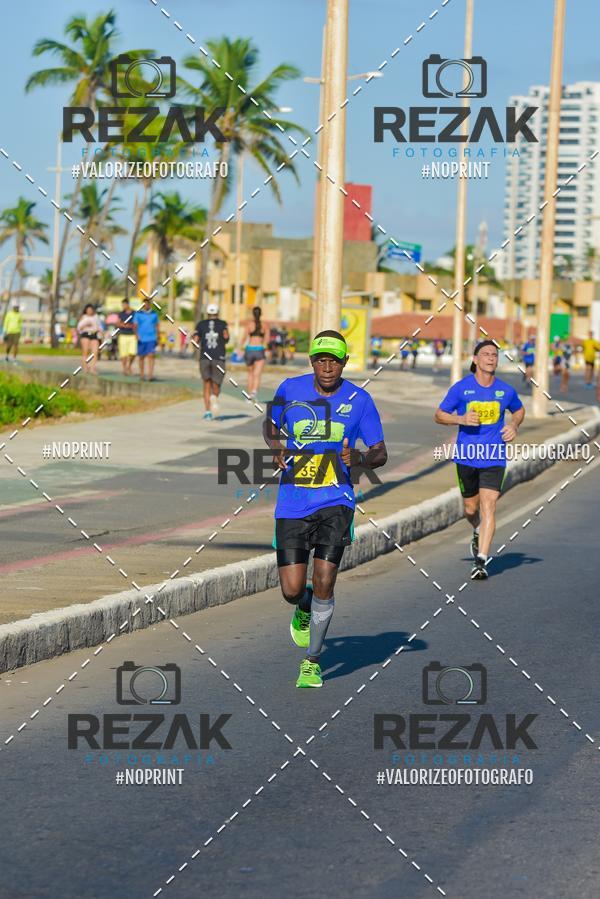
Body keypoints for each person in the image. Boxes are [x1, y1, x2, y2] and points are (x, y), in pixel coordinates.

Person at [265, 330, 388, 688]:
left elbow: (380, 452)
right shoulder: (290, 389)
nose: (327, 366)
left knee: (325, 578)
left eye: (334, 360)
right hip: (292, 501)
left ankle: (312, 660)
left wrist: (361, 458)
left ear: (345, 363)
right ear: (312, 361)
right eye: (321, 359)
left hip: (336, 501)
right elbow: (271, 425)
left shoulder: (360, 400)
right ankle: (303, 607)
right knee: (291, 589)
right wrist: (277, 448)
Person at [434, 339, 525, 580]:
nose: (491, 358)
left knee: (489, 506)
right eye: (486, 354)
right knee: (470, 508)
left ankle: (481, 561)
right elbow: (439, 415)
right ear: (475, 359)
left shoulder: (505, 390)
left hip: (494, 457)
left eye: (495, 355)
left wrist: (514, 425)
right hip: (467, 457)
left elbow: (518, 409)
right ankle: (476, 528)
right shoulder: (461, 389)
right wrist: (461, 420)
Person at [192, 303, 229, 421]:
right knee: (216, 384)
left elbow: (195, 340)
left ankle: (207, 412)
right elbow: (226, 337)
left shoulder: (201, 324)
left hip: (204, 357)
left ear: (207, 313)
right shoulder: (223, 324)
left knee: (206, 384)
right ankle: (214, 397)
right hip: (219, 357)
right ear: (217, 313)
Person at [244, 306, 269, 399]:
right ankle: (254, 393)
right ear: (261, 314)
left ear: (253, 314)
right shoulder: (265, 325)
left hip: (249, 349)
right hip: (259, 350)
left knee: (250, 374)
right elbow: (267, 340)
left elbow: (244, 338)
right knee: (257, 374)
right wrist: (266, 350)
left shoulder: (249, 325)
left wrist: (239, 349)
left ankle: (249, 396)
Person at [134, 297, 159, 381]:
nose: (146, 305)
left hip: (151, 338)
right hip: (141, 338)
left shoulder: (154, 314)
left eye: (147, 303)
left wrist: (158, 336)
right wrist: (136, 335)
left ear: (150, 304)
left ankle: (150, 375)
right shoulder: (138, 313)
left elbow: (157, 325)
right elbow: (135, 325)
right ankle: (142, 374)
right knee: (141, 357)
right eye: (144, 303)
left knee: (151, 356)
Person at [76, 303, 103, 374]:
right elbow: (79, 327)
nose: (89, 311)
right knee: (85, 352)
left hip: (94, 335)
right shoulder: (84, 317)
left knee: (95, 352)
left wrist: (100, 331)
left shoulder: (96, 317)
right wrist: (85, 324)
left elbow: (99, 326)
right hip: (86, 334)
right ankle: (85, 367)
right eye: (88, 310)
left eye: (91, 310)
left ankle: (92, 368)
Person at [117, 298, 137, 376]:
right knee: (123, 354)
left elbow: (137, 323)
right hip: (123, 335)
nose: (123, 306)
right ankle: (125, 368)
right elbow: (118, 323)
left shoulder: (134, 313)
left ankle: (129, 366)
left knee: (133, 353)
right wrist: (123, 325)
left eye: (124, 305)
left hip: (132, 335)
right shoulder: (121, 313)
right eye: (122, 305)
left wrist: (131, 326)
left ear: (128, 304)